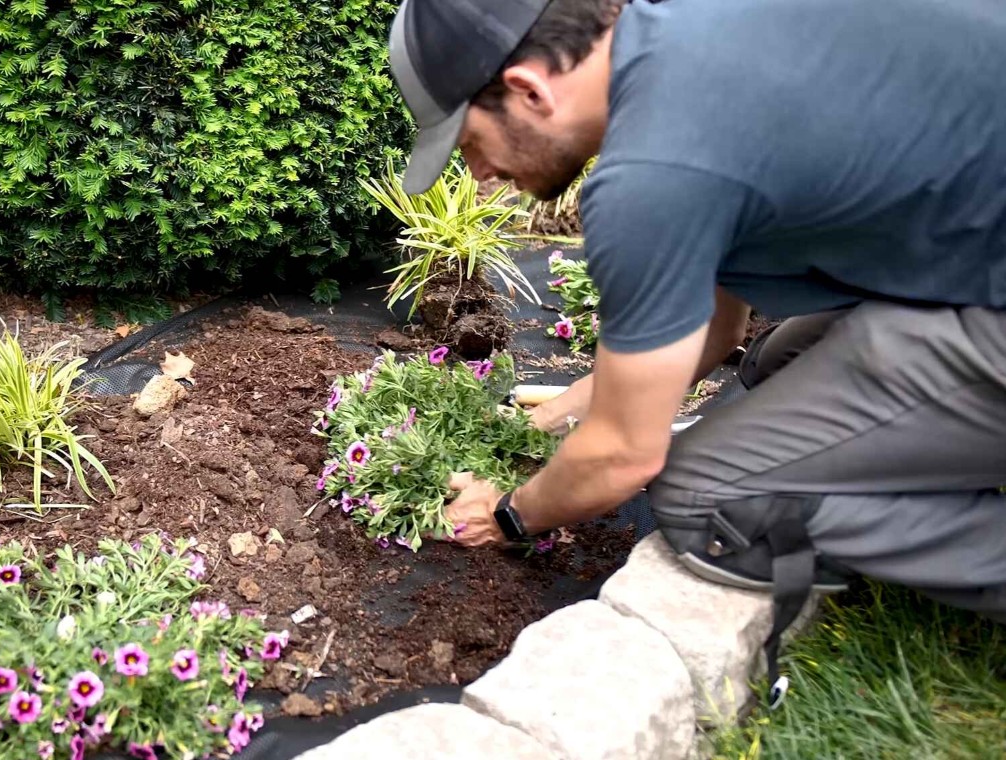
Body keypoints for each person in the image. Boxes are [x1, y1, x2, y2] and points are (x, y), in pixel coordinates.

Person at [389, 0, 1006, 704]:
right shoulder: (693, 40)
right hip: (971, 258)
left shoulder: (649, 172)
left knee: (707, 496)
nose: (479, 175)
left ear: (529, 89)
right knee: (776, 365)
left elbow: (625, 457)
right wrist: (553, 416)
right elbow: (716, 331)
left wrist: (508, 513)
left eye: (470, 143)